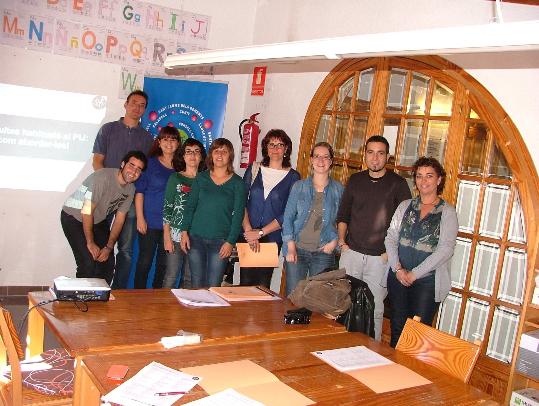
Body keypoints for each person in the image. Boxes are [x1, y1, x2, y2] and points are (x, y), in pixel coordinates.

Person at [336, 135, 411, 341]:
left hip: (380, 260)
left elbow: (405, 224)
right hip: (351, 254)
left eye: (380, 153)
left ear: (387, 157)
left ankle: (371, 353)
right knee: (343, 304)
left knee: (375, 309)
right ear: (365, 155)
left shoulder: (398, 184)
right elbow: (343, 215)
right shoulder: (355, 180)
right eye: (370, 152)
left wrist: (390, 253)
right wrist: (342, 243)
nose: (375, 158)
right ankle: (340, 347)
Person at [385, 157, 458, 347]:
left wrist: (415, 274)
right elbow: (391, 238)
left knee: (417, 334)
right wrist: (398, 269)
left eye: (429, 176)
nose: (423, 181)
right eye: (419, 176)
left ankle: (412, 375)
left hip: (427, 282)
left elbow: (445, 250)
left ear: (439, 180)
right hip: (399, 277)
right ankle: (392, 373)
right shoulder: (405, 206)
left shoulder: (447, 212)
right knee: (398, 328)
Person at [92, 90, 154, 289]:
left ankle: (118, 292)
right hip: (105, 198)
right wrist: (109, 188)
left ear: (144, 110)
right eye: (134, 103)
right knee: (101, 245)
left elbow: (145, 173)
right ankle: (97, 288)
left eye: (142, 105)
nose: (137, 107)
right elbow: (97, 161)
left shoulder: (147, 139)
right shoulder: (108, 129)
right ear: (125, 105)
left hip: (130, 201)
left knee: (126, 250)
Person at [61, 151, 147, 284]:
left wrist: (108, 247)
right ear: (123, 164)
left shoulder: (130, 189)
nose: (134, 171)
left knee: (107, 263)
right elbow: (87, 211)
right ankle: (80, 301)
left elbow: (119, 220)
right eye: (131, 165)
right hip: (74, 216)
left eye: (138, 169)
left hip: (97, 219)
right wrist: (90, 242)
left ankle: (100, 299)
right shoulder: (102, 178)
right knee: (88, 262)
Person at [180, 138, 246, 288]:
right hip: (195, 239)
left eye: (224, 151)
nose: (220, 154)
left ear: (230, 156)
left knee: (213, 286)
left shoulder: (238, 183)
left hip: (221, 242)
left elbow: (238, 215)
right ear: (211, 155)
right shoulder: (201, 178)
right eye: (216, 151)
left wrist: (230, 241)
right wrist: (184, 232)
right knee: (196, 285)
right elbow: (190, 207)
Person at [241, 129, 300, 289]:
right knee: (245, 283)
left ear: (286, 149)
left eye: (280, 145)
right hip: (248, 234)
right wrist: (249, 231)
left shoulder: (294, 177)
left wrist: (261, 232)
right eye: (271, 144)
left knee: (262, 285)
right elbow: (240, 201)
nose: (275, 148)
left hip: (272, 237)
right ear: (265, 147)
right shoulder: (254, 169)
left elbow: (289, 212)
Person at [282, 142, 344, 295]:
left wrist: (335, 241)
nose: (321, 161)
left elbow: (343, 220)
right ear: (311, 160)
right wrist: (290, 247)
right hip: (297, 249)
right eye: (317, 156)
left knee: (317, 299)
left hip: (323, 252)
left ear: (331, 161)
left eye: (325, 157)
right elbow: (288, 217)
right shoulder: (299, 186)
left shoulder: (339, 190)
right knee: (293, 296)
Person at [133, 127, 180, 289]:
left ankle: (156, 297)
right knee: (144, 263)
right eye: (165, 139)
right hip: (150, 222)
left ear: (178, 143)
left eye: (173, 139)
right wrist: (140, 218)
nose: (169, 143)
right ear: (159, 142)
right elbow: (139, 192)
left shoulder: (181, 166)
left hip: (172, 225)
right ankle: (137, 297)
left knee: (163, 264)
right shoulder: (150, 163)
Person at [162, 138, 207, 289]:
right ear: (183, 156)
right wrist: (166, 236)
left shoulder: (206, 180)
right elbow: (168, 207)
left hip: (196, 237)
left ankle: (184, 311)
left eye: (196, 152)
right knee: (171, 276)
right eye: (188, 151)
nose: (192, 155)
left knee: (189, 278)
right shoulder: (175, 178)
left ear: (201, 156)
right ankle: (165, 310)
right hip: (174, 236)